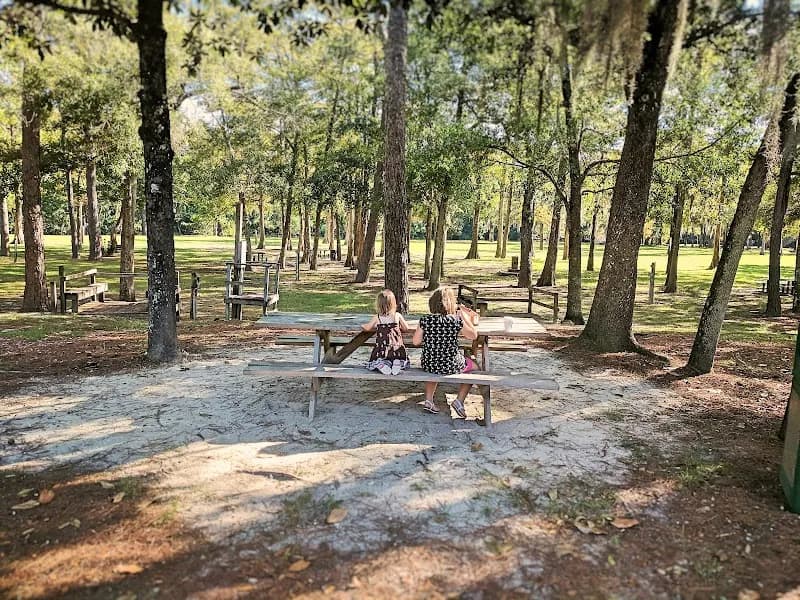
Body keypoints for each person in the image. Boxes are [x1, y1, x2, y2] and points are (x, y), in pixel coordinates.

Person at [412, 286, 479, 417]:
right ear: (451, 304)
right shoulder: (455, 320)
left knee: (434, 368)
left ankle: (429, 400)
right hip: (451, 364)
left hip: (429, 363)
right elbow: (473, 335)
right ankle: (459, 400)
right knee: (474, 367)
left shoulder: (425, 320)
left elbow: (415, 341)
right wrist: (463, 317)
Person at [362, 289, 410, 376]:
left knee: (378, 360)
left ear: (378, 304)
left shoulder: (377, 317)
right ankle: (396, 363)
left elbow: (367, 328)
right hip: (396, 348)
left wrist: (363, 326)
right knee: (400, 359)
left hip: (382, 348)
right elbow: (406, 328)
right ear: (393, 303)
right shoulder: (397, 315)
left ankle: (381, 365)